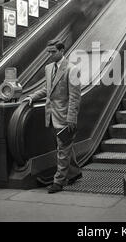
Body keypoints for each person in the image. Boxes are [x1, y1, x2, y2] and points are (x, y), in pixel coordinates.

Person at [23, 40, 82, 194]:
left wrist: (71, 118)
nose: (50, 55)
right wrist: (32, 97)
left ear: (62, 51)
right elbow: (47, 89)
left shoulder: (72, 69)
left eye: (53, 52)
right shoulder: (49, 68)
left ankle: (58, 181)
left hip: (64, 117)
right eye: (48, 52)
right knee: (64, 145)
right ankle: (75, 172)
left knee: (62, 149)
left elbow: (75, 97)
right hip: (51, 115)